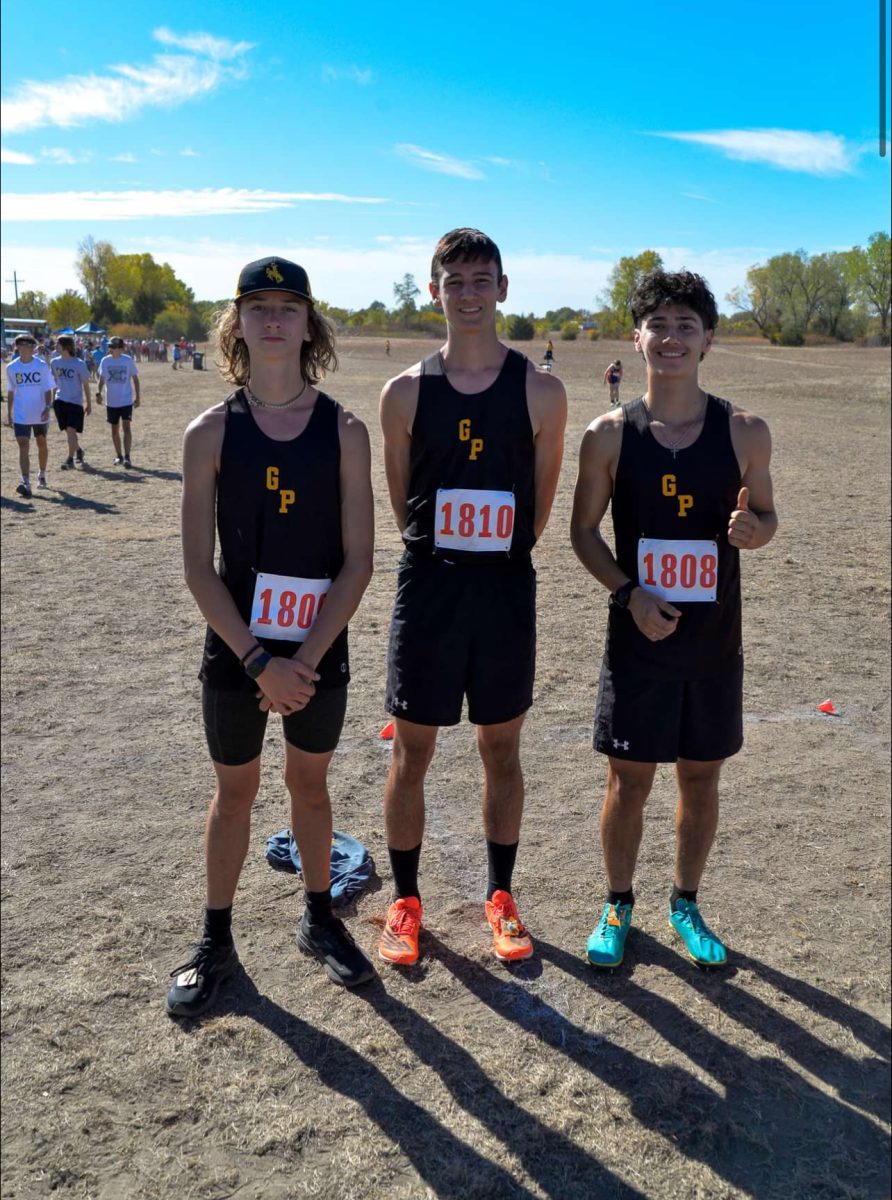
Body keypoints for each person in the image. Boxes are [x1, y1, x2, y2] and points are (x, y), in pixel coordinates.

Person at [166, 256, 377, 1019]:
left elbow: (359, 563)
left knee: (310, 788)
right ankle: (215, 940)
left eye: (290, 306)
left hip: (319, 653)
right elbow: (197, 566)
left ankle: (320, 920)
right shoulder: (208, 432)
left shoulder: (345, 430)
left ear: (309, 323)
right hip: (237, 653)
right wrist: (260, 661)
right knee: (234, 794)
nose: (275, 320)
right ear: (239, 323)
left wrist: (303, 663)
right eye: (260, 307)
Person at [570, 270, 777, 969]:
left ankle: (686, 902)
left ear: (708, 340)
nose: (671, 337)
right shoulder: (607, 435)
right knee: (628, 780)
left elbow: (767, 516)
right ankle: (617, 902)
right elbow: (583, 533)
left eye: (687, 324)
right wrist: (630, 594)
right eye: (657, 323)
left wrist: (755, 529)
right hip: (638, 641)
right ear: (637, 337)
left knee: (699, 778)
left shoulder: (745, 431)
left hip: (714, 645)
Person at [378, 228, 567, 966]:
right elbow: (403, 505)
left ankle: (500, 894)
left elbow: (540, 507)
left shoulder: (541, 390)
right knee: (413, 751)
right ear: (434, 292)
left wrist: (495, 552)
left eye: (480, 279)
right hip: (429, 587)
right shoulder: (403, 393)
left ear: (503, 289)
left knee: (501, 747)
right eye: (453, 281)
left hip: (504, 591)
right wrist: (445, 550)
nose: (467, 293)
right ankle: (405, 899)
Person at [6, 334, 55, 497]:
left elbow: (48, 388)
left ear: (31, 347)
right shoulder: (11, 368)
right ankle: (25, 482)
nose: (20, 347)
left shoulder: (41, 366)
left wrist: (48, 407)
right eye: (18, 345)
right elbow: (11, 391)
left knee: (41, 444)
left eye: (23, 344)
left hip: (39, 413)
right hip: (21, 414)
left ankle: (41, 474)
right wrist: (9, 413)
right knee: (23, 446)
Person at [96, 336, 140, 467]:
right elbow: (102, 379)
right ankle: (119, 456)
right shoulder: (105, 361)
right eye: (110, 346)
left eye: (113, 347)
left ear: (121, 348)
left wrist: (138, 397)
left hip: (126, 400)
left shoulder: (127, 361)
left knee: (127, 428)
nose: (111, 349)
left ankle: (127, 457)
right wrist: (98, 392)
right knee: (114, 430)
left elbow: (135, 380)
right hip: (111, 402)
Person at [51, 335, 92, 469]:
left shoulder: (79, 364)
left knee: (70, 430)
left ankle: (70, 459)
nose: (56, 345)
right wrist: (53, 400)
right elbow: (55, 383)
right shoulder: (54, 362)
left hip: (75, 402)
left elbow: (85, 385)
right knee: (69, 432)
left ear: (66, 346)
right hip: (60, 401)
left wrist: (89, 404)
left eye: (58, 343)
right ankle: (78, 450)